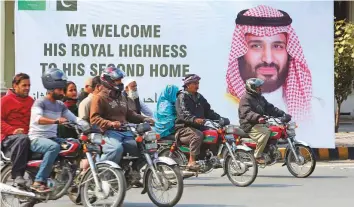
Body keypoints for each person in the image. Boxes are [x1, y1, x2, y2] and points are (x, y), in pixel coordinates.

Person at [226, 5, 312, 121]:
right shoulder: (225, 105)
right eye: (256, 46)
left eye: (277, 46)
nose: (268, 59)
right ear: (240, 52)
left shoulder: (314, 109)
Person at [90, 67, 154, 185]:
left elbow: (130, 114)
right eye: (117, 80)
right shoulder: (99, 97)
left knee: (145, 148)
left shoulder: (121, 96)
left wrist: (145, 119)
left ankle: (130, 173)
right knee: (116, 148)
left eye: (120, 80)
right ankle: (101, 176)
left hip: (125, 132)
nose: (120, 83)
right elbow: (94, 118)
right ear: (108, 81)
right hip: (108, 133)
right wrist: (110, 123)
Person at [28, 68, 87, 192]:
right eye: (59, 90)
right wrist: (55, 121)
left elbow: (74, 118)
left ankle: (70, 179)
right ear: (51, 89)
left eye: (62, 89)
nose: (62, 92)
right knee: (53, 147)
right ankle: (39, 181)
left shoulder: (60, 105)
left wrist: (87, 125)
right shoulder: (40, 102)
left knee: (75, 144)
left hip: (52, 138)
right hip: (36, 139)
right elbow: (37, 119)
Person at [175, 74, 223, 170]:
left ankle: (212, 157)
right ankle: (191, 161)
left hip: (198, 126)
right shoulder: (182, 97)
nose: (197, 86)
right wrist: (194, 119)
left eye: (198, 83)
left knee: (216, 132)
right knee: (197, 135)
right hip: (183, 128)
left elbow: (208, 111)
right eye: (195, 83)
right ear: (188, 85)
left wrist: (220, 118)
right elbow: (183, 113)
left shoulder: (199, 97)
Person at [238, 78, 291, 163]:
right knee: (266, 132)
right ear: (252, 88)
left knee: (275, 129)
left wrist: (283, 114)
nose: (260, 88)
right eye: (258, 87)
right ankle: (257, 156)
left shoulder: (260, 98)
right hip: (249, 124)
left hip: (259, 123)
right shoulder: (245, 99)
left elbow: (270, 108)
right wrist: (258, 117)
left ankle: (269, 151)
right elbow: (247, 112)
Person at [1, 73, 34, 186]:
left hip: (26, 137)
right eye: (24, 85)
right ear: (15, 85)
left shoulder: (31, 101)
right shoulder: (5, 100)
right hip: (8, 139)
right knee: (23, 138)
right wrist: (12, 130)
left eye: (29, 85)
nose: (27, 88)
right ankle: (17, 175)